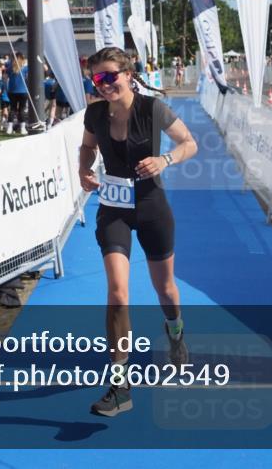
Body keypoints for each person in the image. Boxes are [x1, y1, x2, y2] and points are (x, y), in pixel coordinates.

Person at [78, 47, 198, 417]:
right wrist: (84, 171)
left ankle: (175, 332)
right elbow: (86, 147)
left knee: (165, 288)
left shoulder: (152, 109)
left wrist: (164, 159)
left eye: (110, 76)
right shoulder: (95, 112)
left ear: (129, 74)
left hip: (151, 207)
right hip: (113, 208)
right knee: (117, 291)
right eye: (97, 79)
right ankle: (120, 385)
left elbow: (189, 143)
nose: (103, 84)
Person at [7, 52, 29, 135]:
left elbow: (5, 77)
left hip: (12, 91)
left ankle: (9, 128)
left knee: (12, 109)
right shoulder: (25, 68)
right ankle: (22, 128)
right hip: (23, 91)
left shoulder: (9, 68)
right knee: (21, 110)